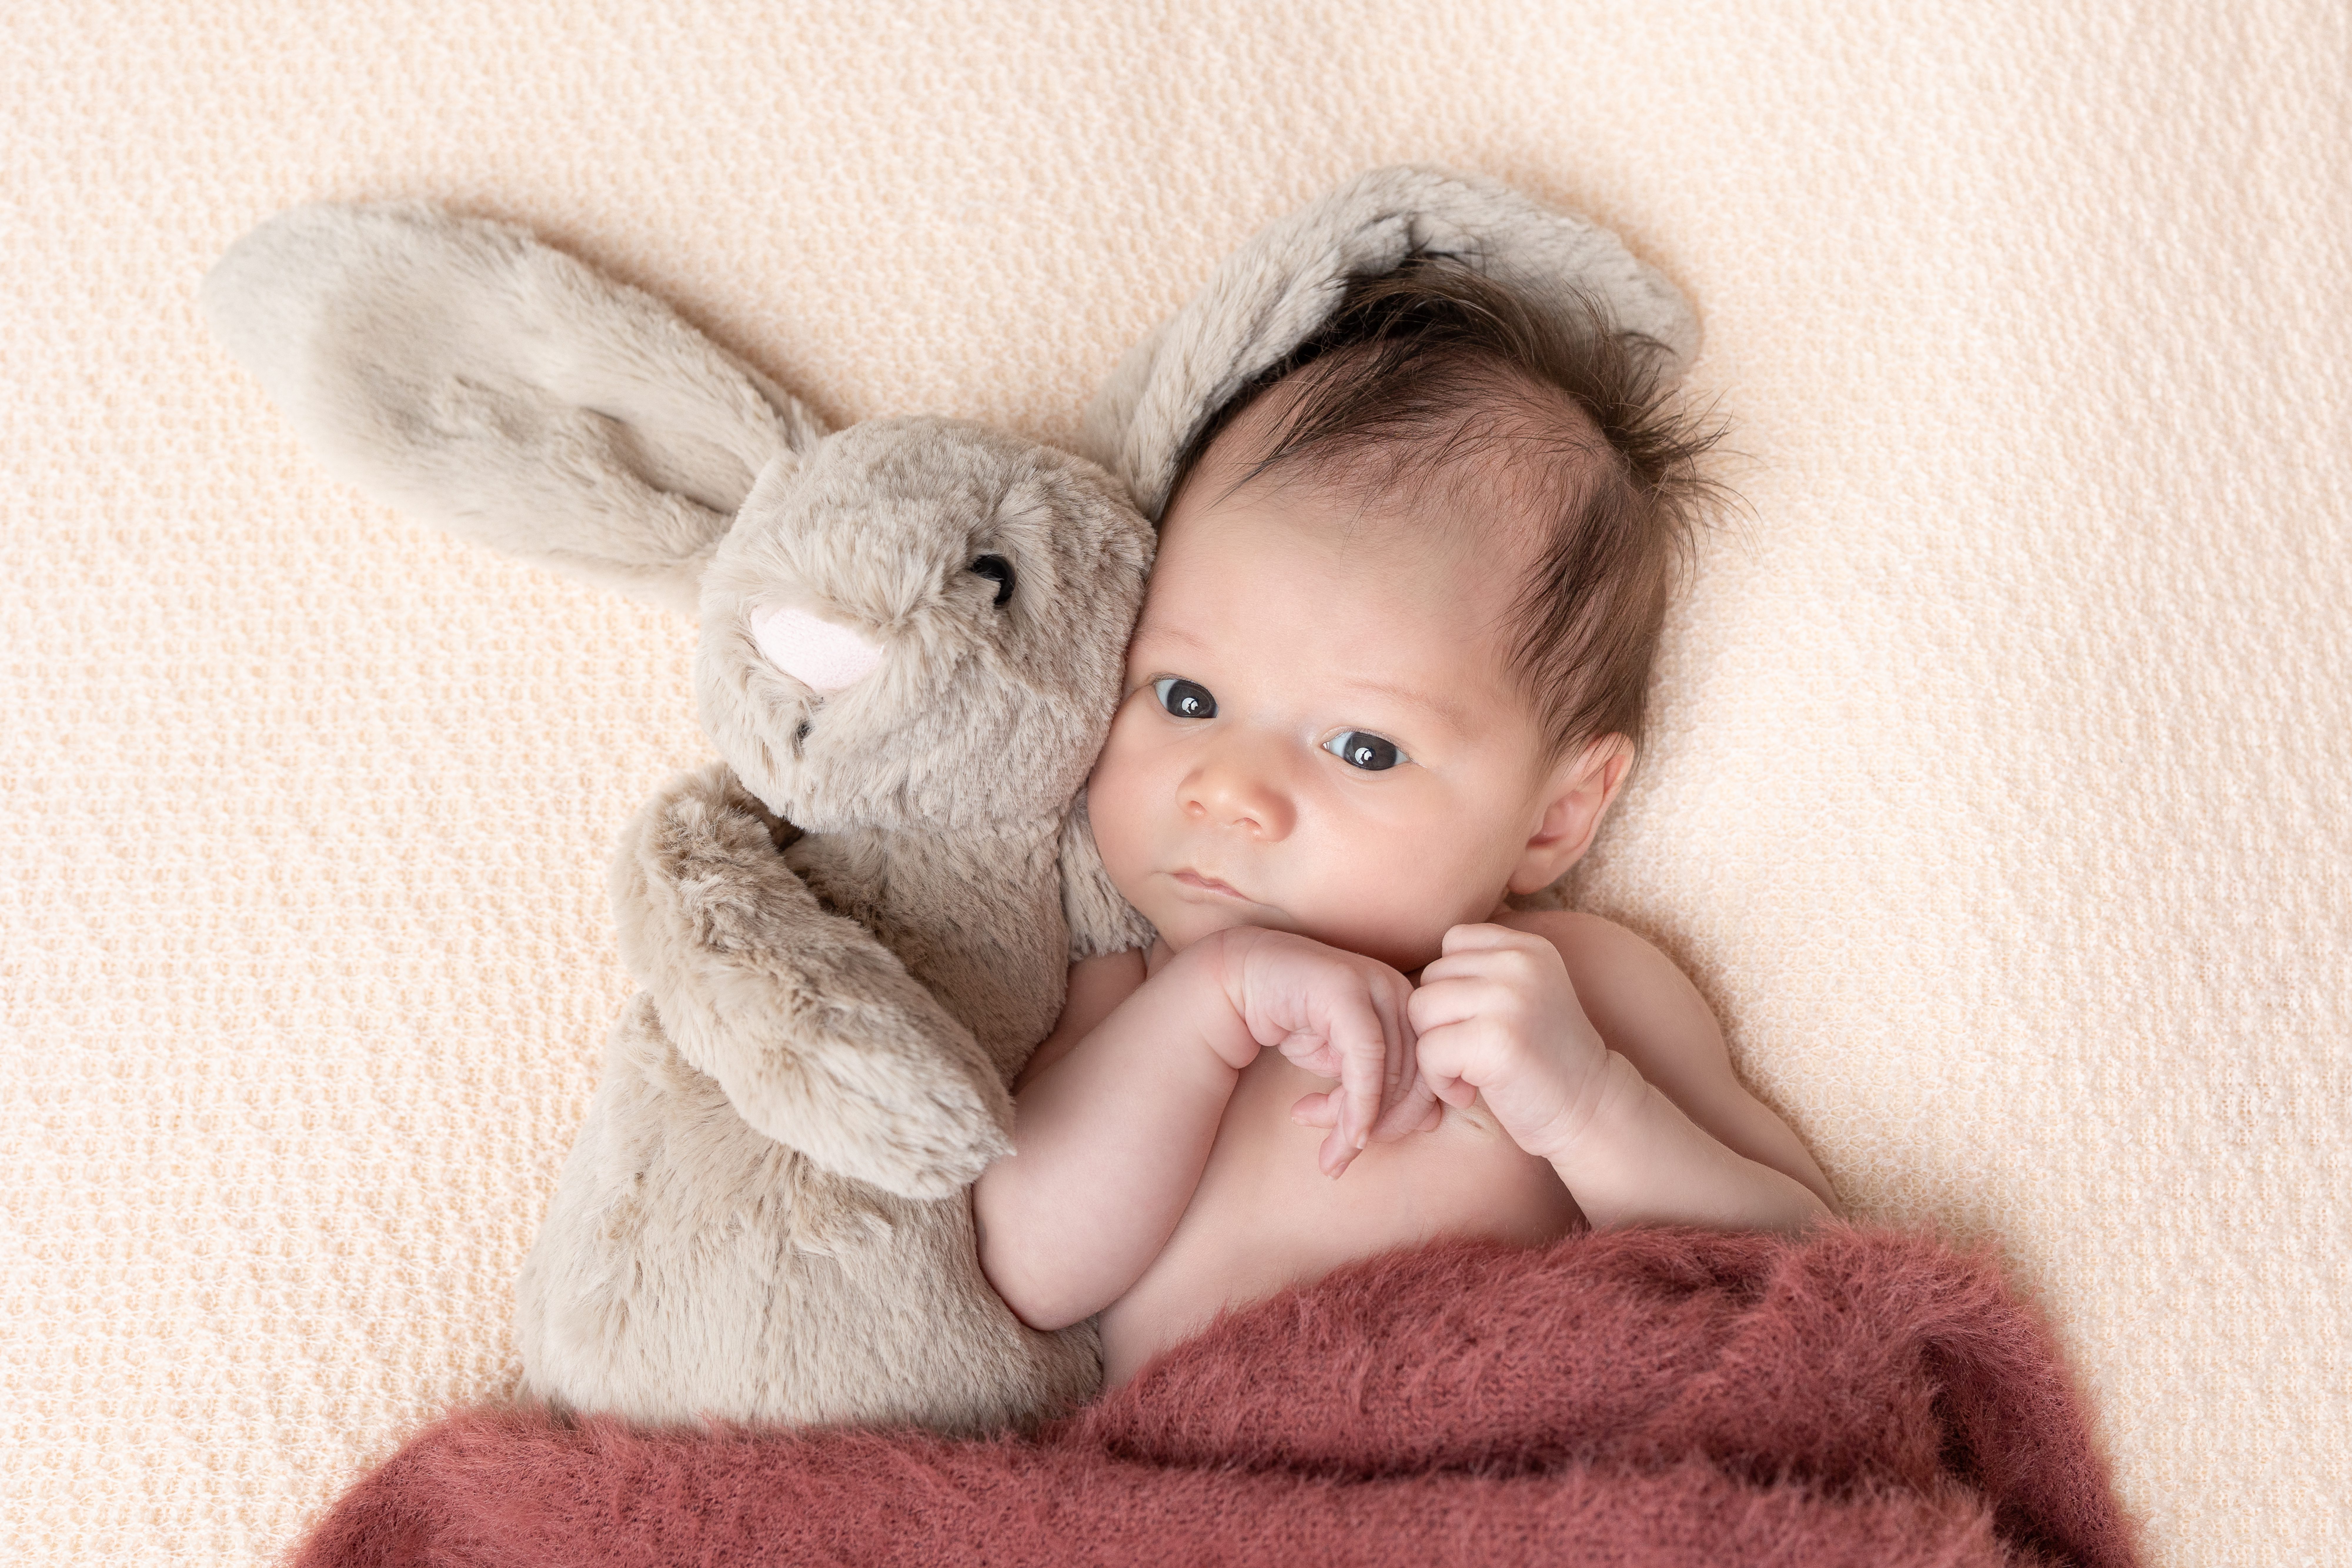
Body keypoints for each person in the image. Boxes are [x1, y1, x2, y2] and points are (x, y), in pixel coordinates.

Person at [974, 261, 1838, 1389]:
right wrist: (1208, 1009)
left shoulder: (1578, 991)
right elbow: (1030, 1271)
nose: (1228, 789)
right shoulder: (1131, 995)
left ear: (1556, 818)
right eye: (1187, 699)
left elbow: (1808, 1271)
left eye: (1364, 749)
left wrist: (1586, 1106)